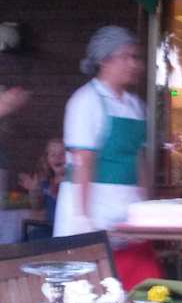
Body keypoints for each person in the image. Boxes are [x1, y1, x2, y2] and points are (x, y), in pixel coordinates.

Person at [54, 25, 163, 288]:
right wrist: (82, 218)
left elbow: (139, 160)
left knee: (142, 285)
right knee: (91, 289)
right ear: (104, 60)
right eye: (126, 56)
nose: (134, 64)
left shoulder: (136, 106)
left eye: (135, 57)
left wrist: (144, 207)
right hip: (92, 210)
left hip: (125, 211)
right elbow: (83, 161)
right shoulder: (86, 101)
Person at [18, 137, 65, 226]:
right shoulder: (45, 182)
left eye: (62, 154)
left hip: (67, 228)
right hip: (49, 227)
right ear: (47, 159)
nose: (57, 157)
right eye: (53, 155)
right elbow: (37, 207)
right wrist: (33, 190)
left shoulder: (72, 181)